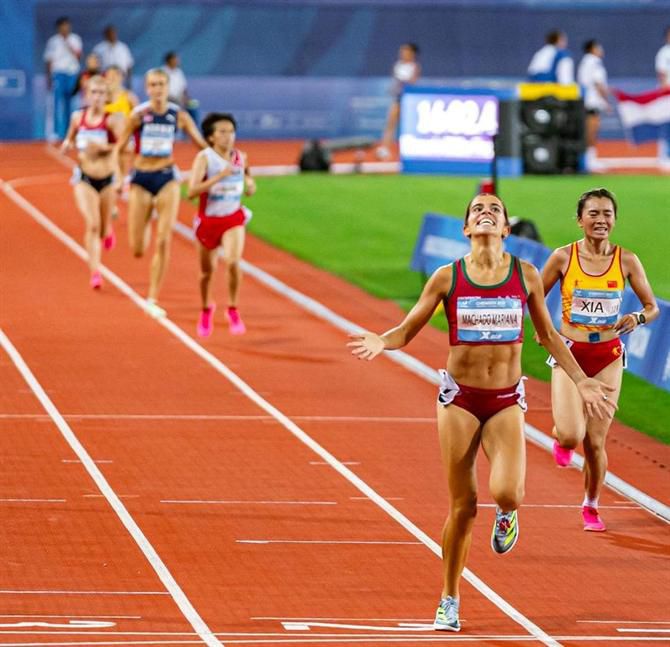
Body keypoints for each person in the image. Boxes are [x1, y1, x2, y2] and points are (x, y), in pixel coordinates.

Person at [348, 192, 615, 632]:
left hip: (506, 399)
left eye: (495, 210)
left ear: (506, 229)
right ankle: (449, 598)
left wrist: (580, 378)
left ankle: (507, 515)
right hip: (460, 401)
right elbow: (407, 327)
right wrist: (383, 340)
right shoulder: (446, 277)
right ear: (467, 229)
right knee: (464, 505)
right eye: (477, 210)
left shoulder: (525, 275)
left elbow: (548, 336)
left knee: (509, 493)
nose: (486, 212)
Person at [540, 188, 659, 532]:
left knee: (594, 441)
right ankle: (561, 437)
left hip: (607, 356)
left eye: (607, 214)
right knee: (570, 435)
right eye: (593, 214)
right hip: (570, 354)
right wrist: (544, 329)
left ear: (614, 220)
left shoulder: (627, 260)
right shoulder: (563, 258)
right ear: (580, 220)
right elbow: (536, 297)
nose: (601, 220)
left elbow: (651, 307)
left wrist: (636, 318)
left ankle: (591, 504)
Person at [115, 68, 208, 318]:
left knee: (164, 239)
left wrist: (224, 155)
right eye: (153, 85)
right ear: (147, 88)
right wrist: (117, 177)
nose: (158, 89)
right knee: (137, 248)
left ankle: (153, 297)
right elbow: (119, 147)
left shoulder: (178, 115)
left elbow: (200, 145)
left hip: (167, 177)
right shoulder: (138, 115)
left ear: (168, 88)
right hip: (142, 178)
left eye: (162, 85)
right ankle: (145, 219)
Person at [186, 113, 256, 337]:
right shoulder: (205, 158)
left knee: (234, 262)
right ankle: (207, 308)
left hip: (232, 218)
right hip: (208, 221)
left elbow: (248, 179)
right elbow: (191, 192)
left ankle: (233, 309)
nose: (228, 136)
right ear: (211, 137)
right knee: (207, 272)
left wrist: (250, 184)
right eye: (222, 132)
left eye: (231, 131)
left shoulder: (240, 156)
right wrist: (219, 177)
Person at [59, 75, 123, 288]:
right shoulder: (78, 117)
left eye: (101, 93)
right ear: (87, 95)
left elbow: (124, 148)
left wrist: (103, 148)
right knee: (93, 225)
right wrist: (67, 144)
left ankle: (108, 230)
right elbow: (70, 136)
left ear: (106, 97)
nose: (96, 97)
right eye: (93, 92)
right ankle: (95, 272)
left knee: (103, 228)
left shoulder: (112, 120)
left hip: (106, 179)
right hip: (84, 178)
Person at [376, 43, 421, 160]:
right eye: (402, 51)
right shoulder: (398, 65)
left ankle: (409, 151)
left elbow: (413, 82)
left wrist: (404, 82)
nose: (403, 53)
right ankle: (384, 149)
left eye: (406, 51)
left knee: (409, 125)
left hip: (409, 100)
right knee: (391, 123)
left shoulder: (414, 66)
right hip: (397, 98)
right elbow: (395, 82)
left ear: (412, 53)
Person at [43, 16, 82, 140]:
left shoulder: (75, 39)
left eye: (67, 25)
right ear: (58, 28)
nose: (65, 28)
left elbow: (78, 56)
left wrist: (68, 44)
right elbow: (48, 60)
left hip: (72, 74)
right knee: (57, 104)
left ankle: (70, 132)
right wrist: (49, 78)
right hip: (58, 74)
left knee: (71, 105)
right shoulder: (53, 41)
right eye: (62, 26)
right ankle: (56, 132)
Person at [104, 65, 139, 196]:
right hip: (106, 138)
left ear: (121, 78)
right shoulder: (102, 97)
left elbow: (139, 118)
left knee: (120, 121)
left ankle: (124, 178)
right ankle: (118, 178)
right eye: (109, 76)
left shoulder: (129, 96)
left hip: (124, 137)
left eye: (115, 76)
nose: (112, 79)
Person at [577, 40, 610, 173]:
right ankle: (590, 160)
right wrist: (605, 100)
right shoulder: (594, 61)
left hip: (586, 99)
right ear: (592, 48)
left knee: (590, 129)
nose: (601, 49)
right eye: (598, 47)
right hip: (592, 100)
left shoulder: (585, 61)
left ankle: (590, 159)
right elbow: (598, 83)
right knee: (592, 129)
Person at [654, 26, 670, 169]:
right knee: (666, 124)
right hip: (668, 93)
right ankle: (663, 156)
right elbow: (662, 74)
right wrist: (665, 91)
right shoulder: (664, 53)